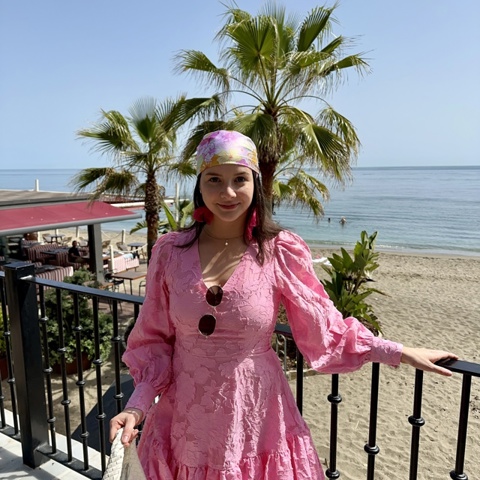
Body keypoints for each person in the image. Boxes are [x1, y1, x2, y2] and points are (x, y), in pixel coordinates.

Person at [109, 130, 457, 479]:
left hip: (257, 414)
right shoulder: (170, 252)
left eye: (239, 179)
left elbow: (326, 329)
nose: (227, 192)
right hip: (184, 421)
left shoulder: (279, 250)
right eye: (214, 179)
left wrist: (398, 351)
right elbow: (154, 343)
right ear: (200, 184)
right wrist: (136, 407)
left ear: (255, 184)